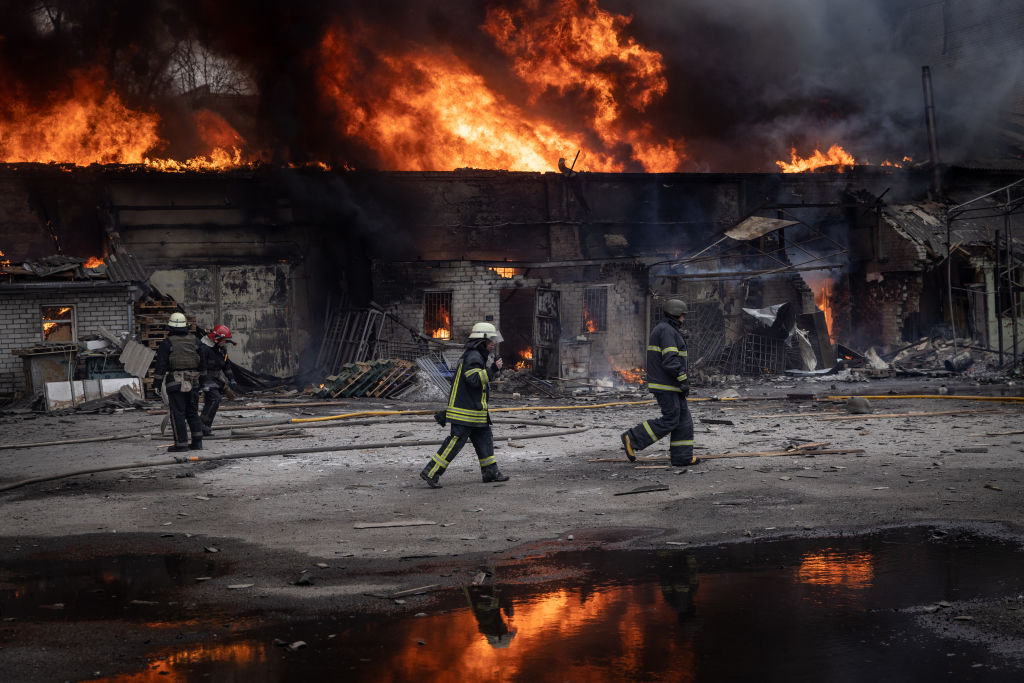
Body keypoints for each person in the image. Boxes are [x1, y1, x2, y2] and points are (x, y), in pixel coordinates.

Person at [419, 322, 508, 488]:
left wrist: (492, 370)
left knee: (485, 440)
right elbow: (474, 380)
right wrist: (493, 369)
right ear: (481, 341)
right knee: (455, 443)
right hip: (465, 411)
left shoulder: (478, 356)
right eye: (490, 340)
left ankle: (491, 472)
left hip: (475, 411)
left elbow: (479, 380)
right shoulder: (473, 357)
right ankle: (431, 472)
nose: (493, 343)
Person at [620, 299, 700, 466]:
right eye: (683, 316)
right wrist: (683, 380)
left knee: (684, 420)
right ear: (677, 314)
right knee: (671, 419)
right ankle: (632, 438)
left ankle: (682, 458)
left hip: (671, 385)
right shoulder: (666, 331)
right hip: (666, 385)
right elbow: (670, 361)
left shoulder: (667, 330)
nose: (684, 319)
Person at [153, 312, 206, 453]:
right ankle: (197, 443)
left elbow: (161, 365)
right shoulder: (196, 341)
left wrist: (157, 385)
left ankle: (181, 445)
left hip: (175, 384)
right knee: (193, 412)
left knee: (178, 414)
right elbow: (203, 363)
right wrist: (203, 382)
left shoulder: (167, 343)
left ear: (170, 327)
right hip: (194, 382)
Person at [198, 324, 239, 435]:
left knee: (213, 402)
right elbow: (201, 367)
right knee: (215, 399)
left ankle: (205, 427)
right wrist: (202, 384)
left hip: (215, 379)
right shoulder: (204, 348)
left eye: (225, 340)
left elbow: (226, 366)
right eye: (223, 340)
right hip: (206, 378)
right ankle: (201, 425)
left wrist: (231, 379)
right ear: (216, 339)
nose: (224, 342)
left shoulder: (222, 350)